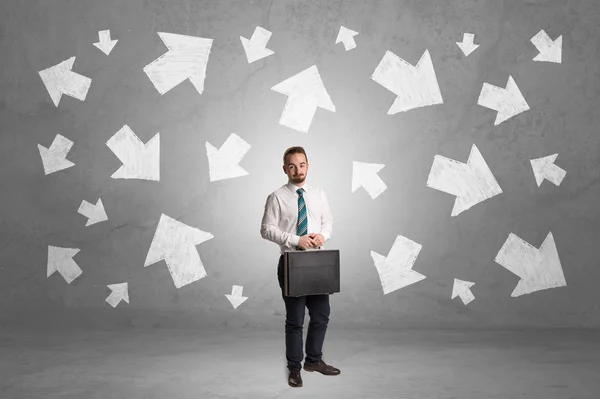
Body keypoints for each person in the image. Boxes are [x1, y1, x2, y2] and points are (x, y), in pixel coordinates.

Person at [260, 146, 341, 388]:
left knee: (321, 316)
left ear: (308, 165)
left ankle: (314, 361)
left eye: (302, 165)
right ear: (285, 169)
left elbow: (328, 221)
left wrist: (323, 236)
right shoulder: (276, 197)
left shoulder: (318, 193)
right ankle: (294, 368)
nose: (298, 170)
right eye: (292, 166)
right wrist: (296, 240)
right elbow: (266, 229)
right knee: (295, 320)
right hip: (291, 263)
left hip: (317, 263)